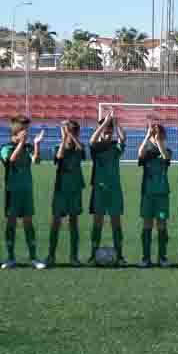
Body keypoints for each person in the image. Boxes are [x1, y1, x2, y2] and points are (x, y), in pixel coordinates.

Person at [0, 115, 46, 270]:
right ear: (16, 131)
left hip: (26, 190)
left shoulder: (28, 147)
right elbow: (11, 160)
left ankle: (33, 258)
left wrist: (36, 144)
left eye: (27, 129)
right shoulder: (6, 147)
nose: (27, 133)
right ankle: (10, 258)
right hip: (12, 191)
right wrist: (21, 143)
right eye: (25, 130)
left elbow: (36, 161)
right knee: (11, 222)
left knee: (28, 222)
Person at [89, 110, 127, 266]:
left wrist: (115, 123)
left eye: (109, 132)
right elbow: (92, 140)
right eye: (105, 132)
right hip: (99, 190)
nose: (107, 135)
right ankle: (93, 255)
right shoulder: (96, 148)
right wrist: (104, 122)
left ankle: (120, 255)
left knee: (116, 222)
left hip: (114, 190)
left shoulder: (115, 147)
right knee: (97, 222)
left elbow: (123, 138)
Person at [47, 119, 86, 267]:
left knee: (73, 223)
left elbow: (82, 152)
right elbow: (58, 158)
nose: (72, 134)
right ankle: (51, 255)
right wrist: (64, 139)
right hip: (61, 190)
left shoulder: (79, 147)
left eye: (75, 131)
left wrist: (72, 136)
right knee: (56, 222)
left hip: (75, 189)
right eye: (71, 131)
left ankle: (74, 257)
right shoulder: (58, 146)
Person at [138, 122, 173, 268]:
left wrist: (158, 142)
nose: (157, 137)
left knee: (162, 225)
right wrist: (147, 136)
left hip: (162, 195)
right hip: (147, 194)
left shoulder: (167, 150)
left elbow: (165, 158)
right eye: (154, 134)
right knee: (147, 225)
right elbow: (140, 154)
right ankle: (146, 258)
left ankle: (162, 257)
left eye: (159, 134)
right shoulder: (146, 152)